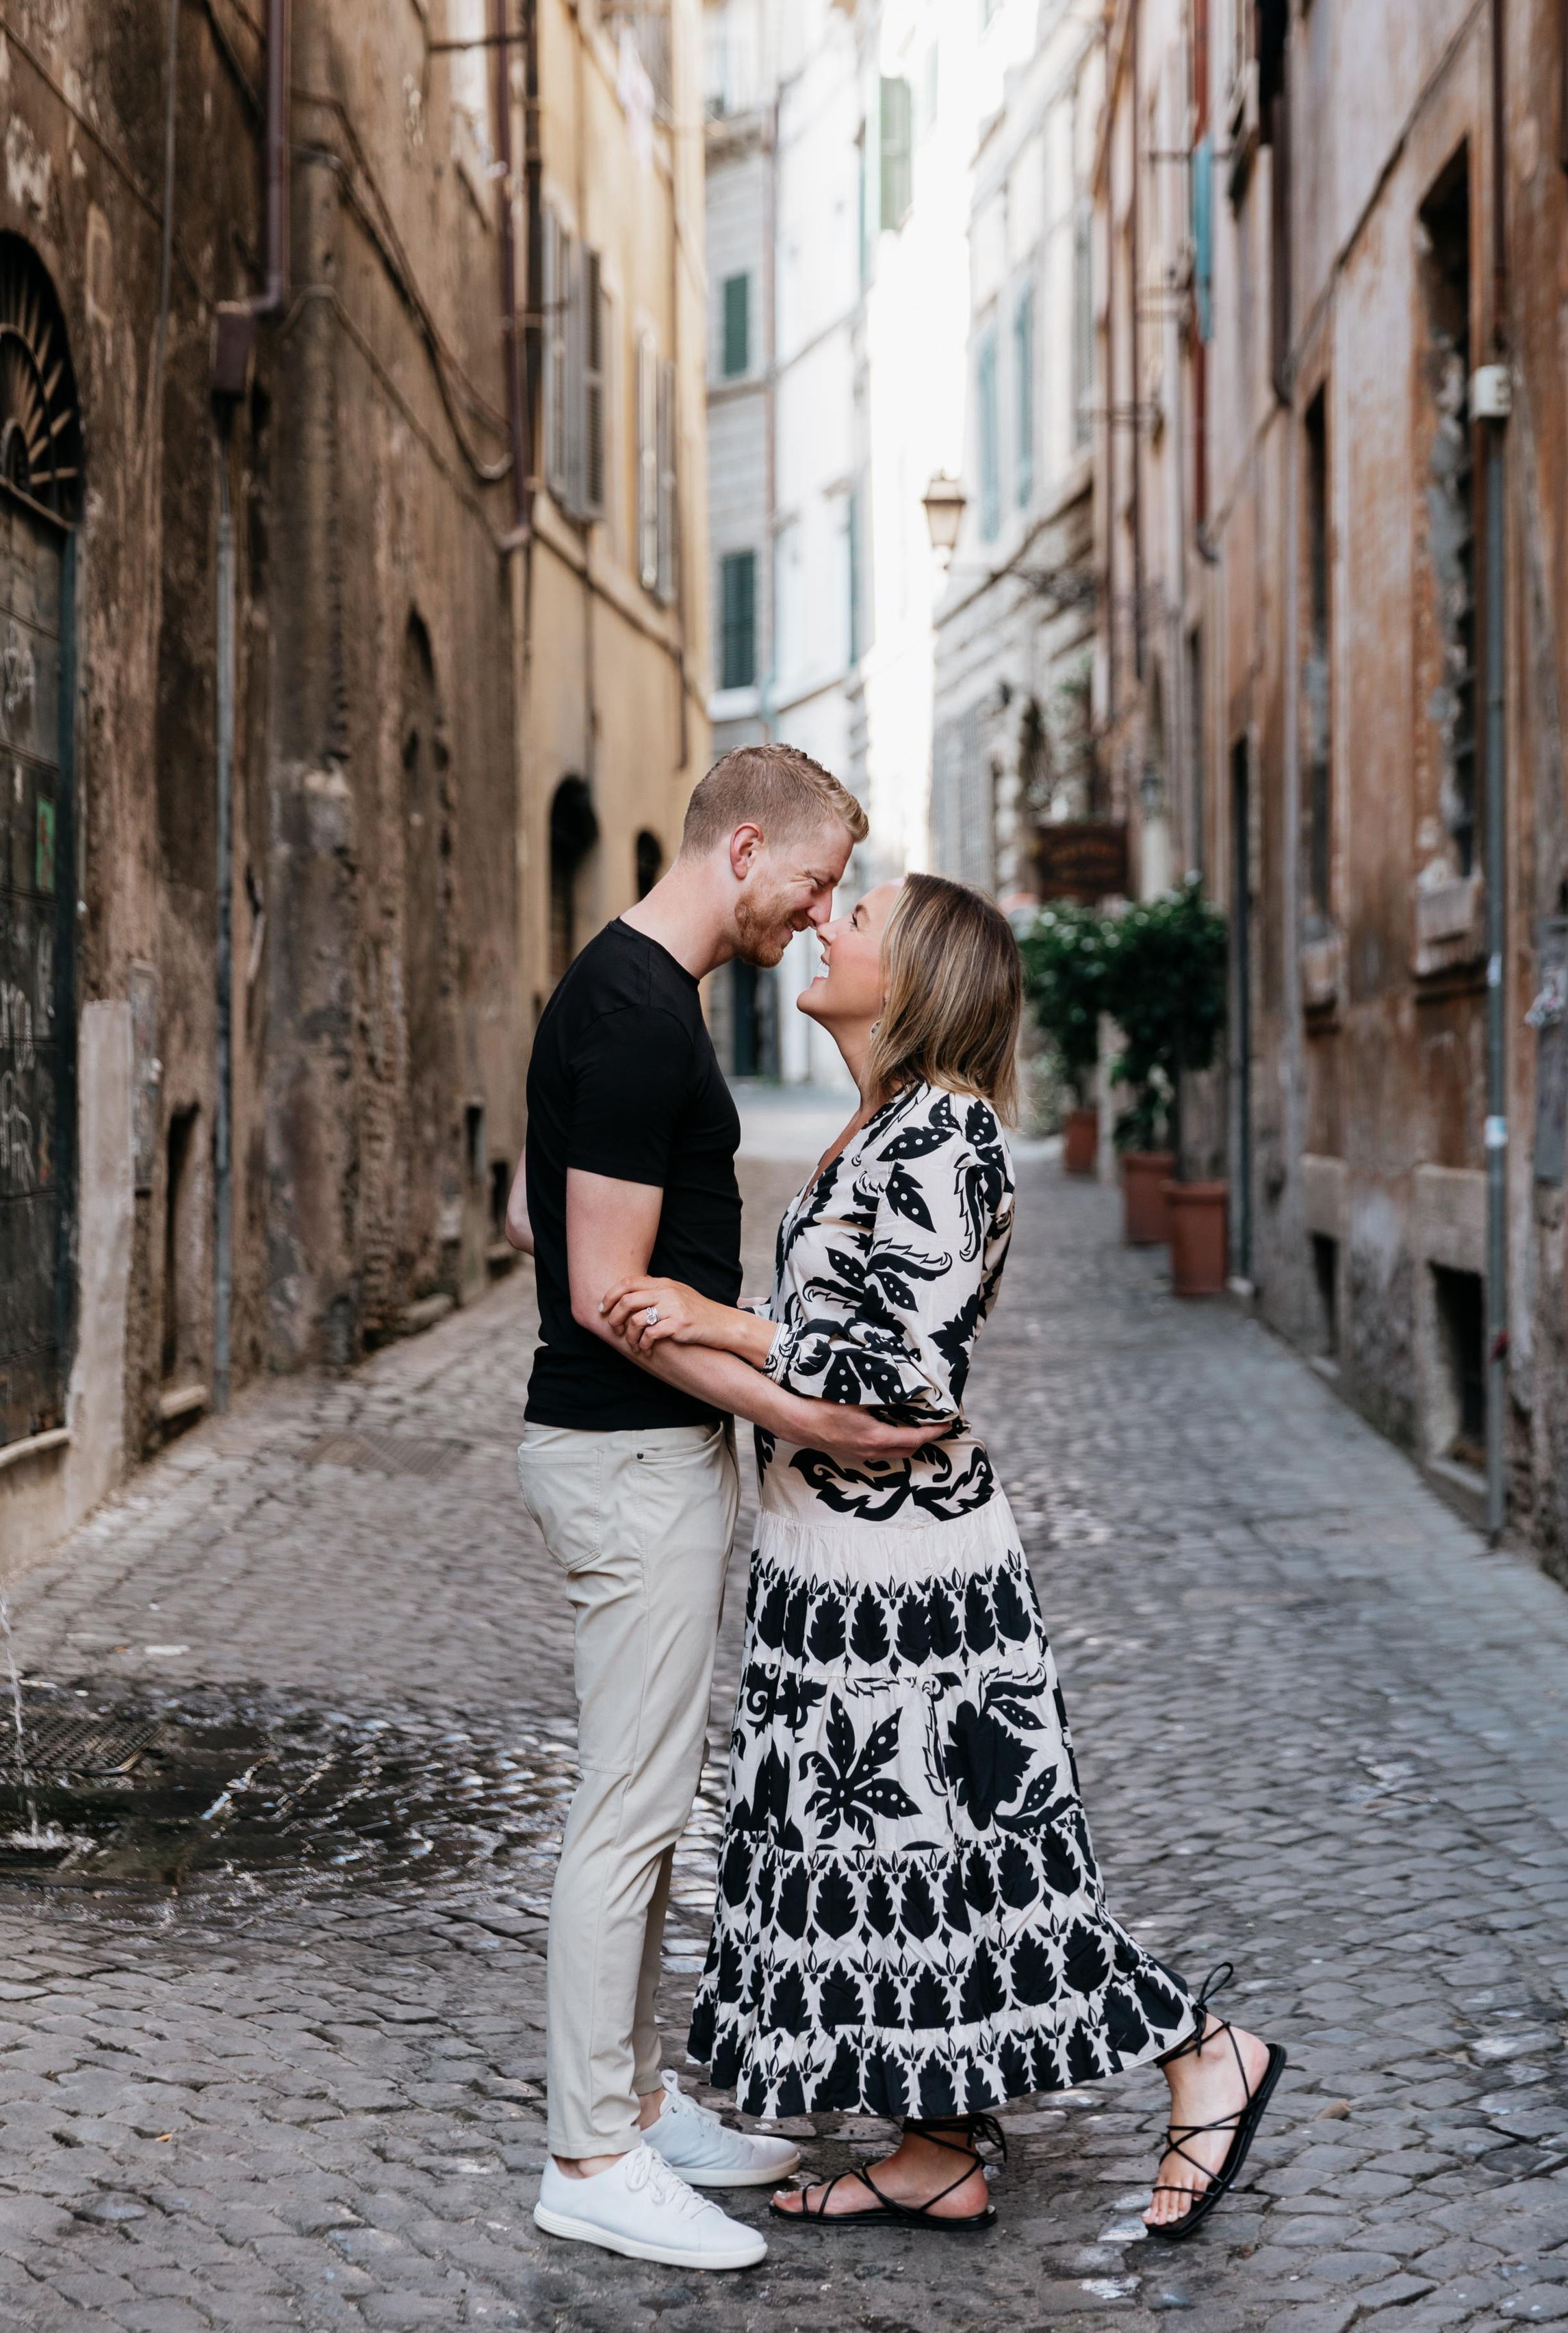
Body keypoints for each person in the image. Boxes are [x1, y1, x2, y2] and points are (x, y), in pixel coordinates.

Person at [604, 873, 1285, 2241]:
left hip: (910, 1590)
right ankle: (934, 2151)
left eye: (853, 919)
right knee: (887, 1880)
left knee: (987, 1876)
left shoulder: (948, 1138)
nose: (822, 924)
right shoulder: (880, 1127)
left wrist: (713, 1328)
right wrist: (730, 1326)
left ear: (912, 981)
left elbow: (904, 1391)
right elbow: (844, 1325)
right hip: (830, 1573)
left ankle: (1202, 2052)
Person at [502, 747, 951, 2274]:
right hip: (628, 1456)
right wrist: (803, 1413)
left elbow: (559, 1225)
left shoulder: (637, 998)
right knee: (626, 1811)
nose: (819, 913)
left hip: (642, 1447)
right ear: (745, 845)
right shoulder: (635, 1014)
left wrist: (744, 1378)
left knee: (643, 1801)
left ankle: (630, 2105)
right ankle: (587, 2157)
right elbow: (604, 1294)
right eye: (816, 882)